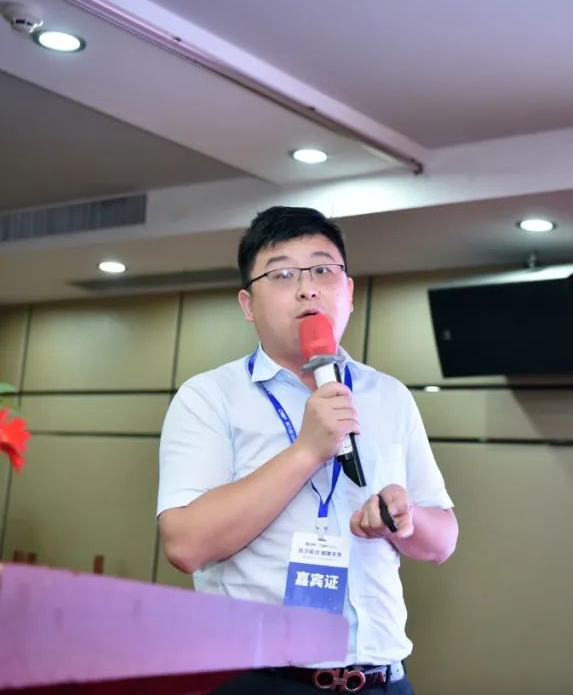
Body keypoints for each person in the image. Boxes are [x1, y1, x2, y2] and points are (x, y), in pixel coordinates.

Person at [157, 206, 458, 694]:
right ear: (247, 304)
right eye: (282, 274)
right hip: (259, 679)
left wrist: (405, 519)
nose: (308, 289)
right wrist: (307, 450)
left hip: (382, 679)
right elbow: (185, 545)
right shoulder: (209, 396)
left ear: (349, 292)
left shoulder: (389, 395)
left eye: (323, 270)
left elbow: (442, 541)